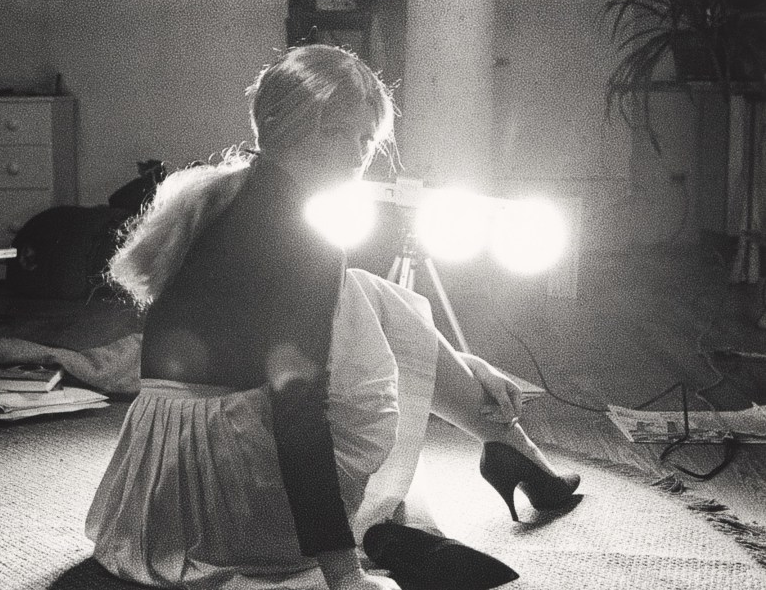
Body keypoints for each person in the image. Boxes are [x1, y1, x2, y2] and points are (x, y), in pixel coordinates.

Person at [85, 44, 579, 590]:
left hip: (152, 498)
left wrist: (461, 359)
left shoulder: (221, 197)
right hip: (223, 506)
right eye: (343, 132)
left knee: (364, 291)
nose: (359, 154)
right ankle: (503, 448)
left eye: (367, 138)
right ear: (292, 125)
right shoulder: (301, 238)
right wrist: (343, 575)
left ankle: (495, 452)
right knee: (366, 297)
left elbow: (249, 348)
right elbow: (299, 413)